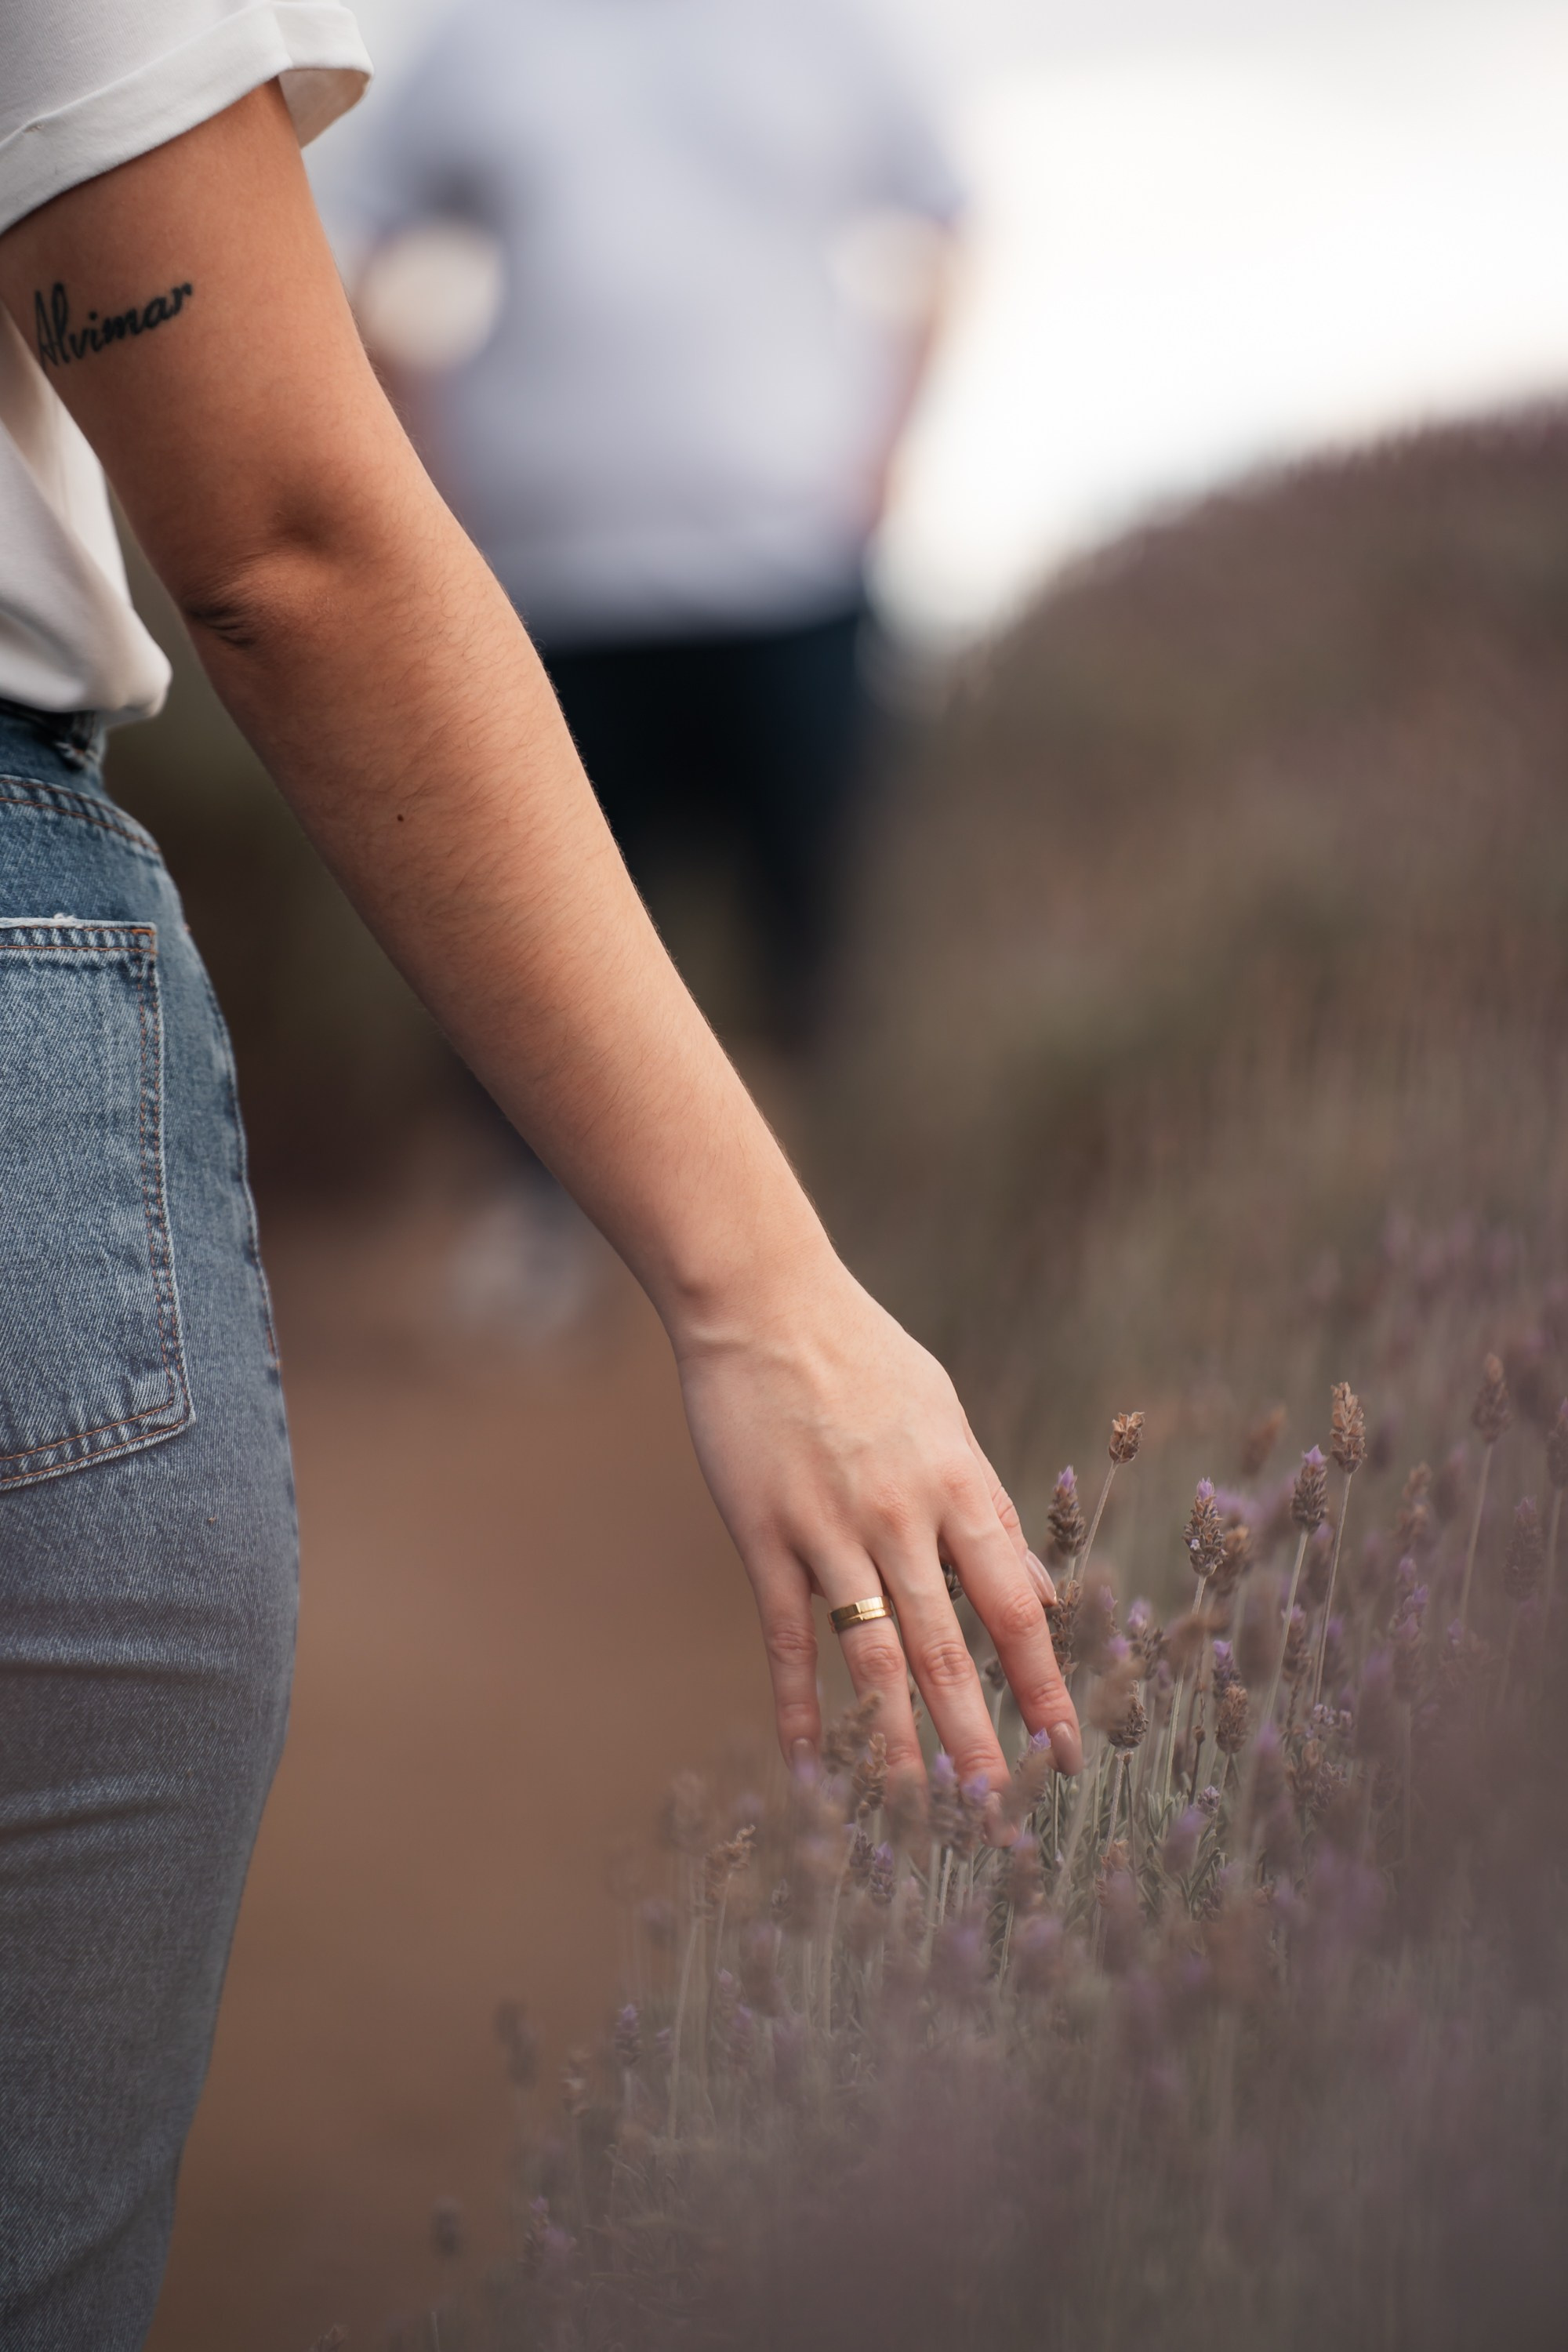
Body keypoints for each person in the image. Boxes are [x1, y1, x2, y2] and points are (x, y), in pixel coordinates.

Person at [0, 8, 1079, 2344]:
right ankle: (589, 1238)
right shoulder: (498, 57)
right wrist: (759, 1291)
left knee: (803, 939)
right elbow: (284, 538)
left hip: (771, 561)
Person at [347, 0, 960, 1047]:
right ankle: (531, 1203)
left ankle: (828, 1177)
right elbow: (358, 236)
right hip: (547, 600)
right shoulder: (481, 40)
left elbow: (946, 216)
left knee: (815, 939)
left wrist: (886, 452)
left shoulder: (827, 33)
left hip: (793, 581)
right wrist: (425, 464)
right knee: (541, 969)